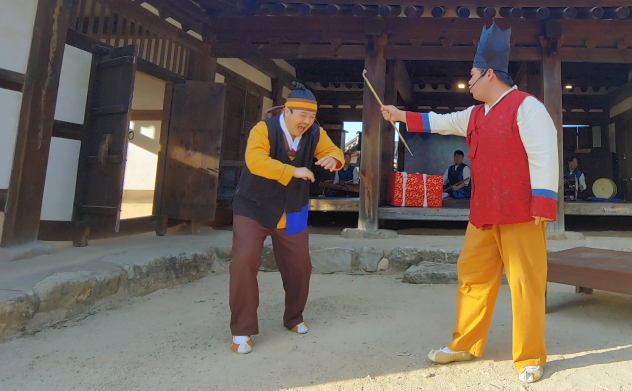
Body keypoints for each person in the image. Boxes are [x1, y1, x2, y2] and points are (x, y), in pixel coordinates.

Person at [381, 22, 558, 383]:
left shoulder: (527, 107)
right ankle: (465, 343)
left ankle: (530, 356)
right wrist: (401, 116)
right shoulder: (476, 114)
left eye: (472, 75)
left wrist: (543, 204)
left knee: (525, 283)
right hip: (483, 214)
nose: (469, 81)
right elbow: (441, 122)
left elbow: (544, 154)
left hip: (521, 213)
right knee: (472, 278)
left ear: (489, 74)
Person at [228, 84, 345, 354]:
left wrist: (333, 159)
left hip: (293, 208)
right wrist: (293, 171)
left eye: (311, 117)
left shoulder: (315, 132)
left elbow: (336, 153)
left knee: (299, 263)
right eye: (301, 115)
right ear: (286, 110)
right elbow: (255, 161)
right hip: (252, 207)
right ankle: (242, 329)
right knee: (245, 260)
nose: (306, 121)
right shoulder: (264, 129)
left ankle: (293, 317)